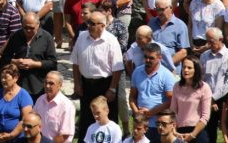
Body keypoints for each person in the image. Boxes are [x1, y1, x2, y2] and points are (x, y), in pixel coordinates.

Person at [71, 11, 124, 143]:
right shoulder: (82, 37)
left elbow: (117, 68)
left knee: (107, 119)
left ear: (103, 25)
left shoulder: (111, 40)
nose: (88, 25)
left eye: (92, 23)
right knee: (86, 119)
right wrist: (77, 83)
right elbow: (75, 63)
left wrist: (112, 89)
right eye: (88, 22)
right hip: (86, 85)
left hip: (105, 85)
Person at [1, 12, 57, 103]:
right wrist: (15, 62)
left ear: (38, 24)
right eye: (25, 27)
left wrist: (34, 64)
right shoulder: (16, 36)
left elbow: (52, 63)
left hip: (38, 85)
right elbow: (4, 58)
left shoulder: (47, 38)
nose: (28, 30)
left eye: (31, 28)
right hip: (18, 84)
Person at [129, 42, 177, 141]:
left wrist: (152, 112)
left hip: (159, 125)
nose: (147, 60)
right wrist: (137, 112)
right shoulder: (137, 72)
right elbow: (132, 96)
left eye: (151, 58)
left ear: (160, 58)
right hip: (141, 124)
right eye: (146, 57)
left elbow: (171, 100)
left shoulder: (167, 75)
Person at [200, 27, 228, 143]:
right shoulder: (204, 56)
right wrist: (208, 98)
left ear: (221, 39)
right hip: (207, 99)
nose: (208, 44)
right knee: (209, 133)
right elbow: (201, 78)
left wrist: (213, 98)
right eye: (207, 41)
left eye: (211, 41)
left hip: (224, 99)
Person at [0, 64, 33, 143]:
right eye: (1, 77)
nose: (3, 80)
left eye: (6, 77)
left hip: (16, 140)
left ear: (15, 78)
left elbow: (25, 120)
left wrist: (10, 135)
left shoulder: (24, 96)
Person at [170, 56, 212, 142]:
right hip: (179, 132)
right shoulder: (177, 86)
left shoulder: (204, 87)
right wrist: (174, 131)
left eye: (189, 68)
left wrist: (192, 135)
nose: (186, 70)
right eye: (184, 67)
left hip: (197, 132)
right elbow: (173, 112)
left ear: (196, 70)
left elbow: (205, 116)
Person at [149, 0, 190, 74]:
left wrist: (165, 64)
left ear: (171, 7)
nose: (159, 12)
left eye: (161, 9)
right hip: (152, 69)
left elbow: (183, 52)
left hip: (170, 71)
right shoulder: (152, 23)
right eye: (157, 10)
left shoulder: (180, 26)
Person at [32, 71, 76, 143]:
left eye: (51, 83)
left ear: (60, 85)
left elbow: (64, 135)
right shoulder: (40, 100)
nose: (47, 86)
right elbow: (32, 121)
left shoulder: (66, 106)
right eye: (46, 82)